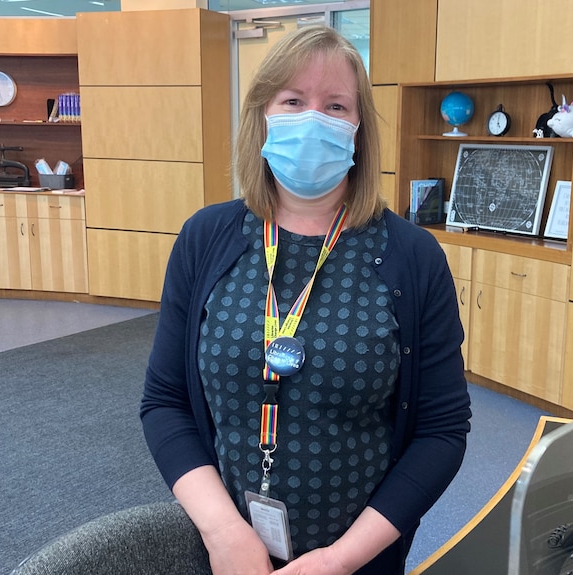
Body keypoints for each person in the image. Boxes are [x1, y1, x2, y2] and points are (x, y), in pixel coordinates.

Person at [140, 24, 471, 575]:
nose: (313, 118)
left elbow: (441, 431)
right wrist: (224, 533)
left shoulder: (412, 257)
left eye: (336, 105)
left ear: (359, 129)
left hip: (359, 557)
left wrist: (341, 561)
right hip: (228, 553)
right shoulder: (206, 238)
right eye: (293, 100)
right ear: (262, 116)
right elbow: (166, 402)